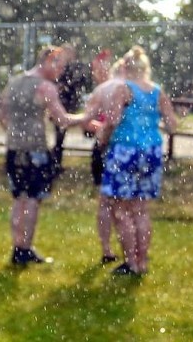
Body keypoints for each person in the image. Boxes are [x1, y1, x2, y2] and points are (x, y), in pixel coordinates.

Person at [0, 45, 90, 266]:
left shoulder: (15, 82)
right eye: (60, 66)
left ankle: (17, 247)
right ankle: (25, 249)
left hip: (13, 148)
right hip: (35, 149)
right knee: (32, 199)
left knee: (19, 199)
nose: (61, 72)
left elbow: (2, 115)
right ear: (50, 60)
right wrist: (88, 116)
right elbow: (62, 120)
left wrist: (16, 133)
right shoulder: (45, 87)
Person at [93, 46, 178, 275]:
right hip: (151, 151)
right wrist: (150, 123)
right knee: (141, 210)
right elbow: (172, 124)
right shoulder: (157, 91)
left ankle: (130, 262)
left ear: (126, 67)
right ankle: (142, 262)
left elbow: (112, 119)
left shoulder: (124, 88)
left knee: (121, 211)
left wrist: (102, 137)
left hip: (125, 151)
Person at [82, 49, 119, 264]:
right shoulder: (98, 93)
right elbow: (86, 123)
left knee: (121, 203)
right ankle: (107, 249)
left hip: (119, 149)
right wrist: (102, 127)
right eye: (96, 69)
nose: (98, 73)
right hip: (104, 150)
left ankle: (127, 249)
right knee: (107, 202)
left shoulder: (122, 90)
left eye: (101, 68)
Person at [53, 44, 93, 169]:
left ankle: (55, 161)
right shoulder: (59, 67)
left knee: (62, 134)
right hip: (61, 103)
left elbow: (81, 81)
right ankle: (55, 161)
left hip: (70, 103)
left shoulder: (77, 67)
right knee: (59, 134)